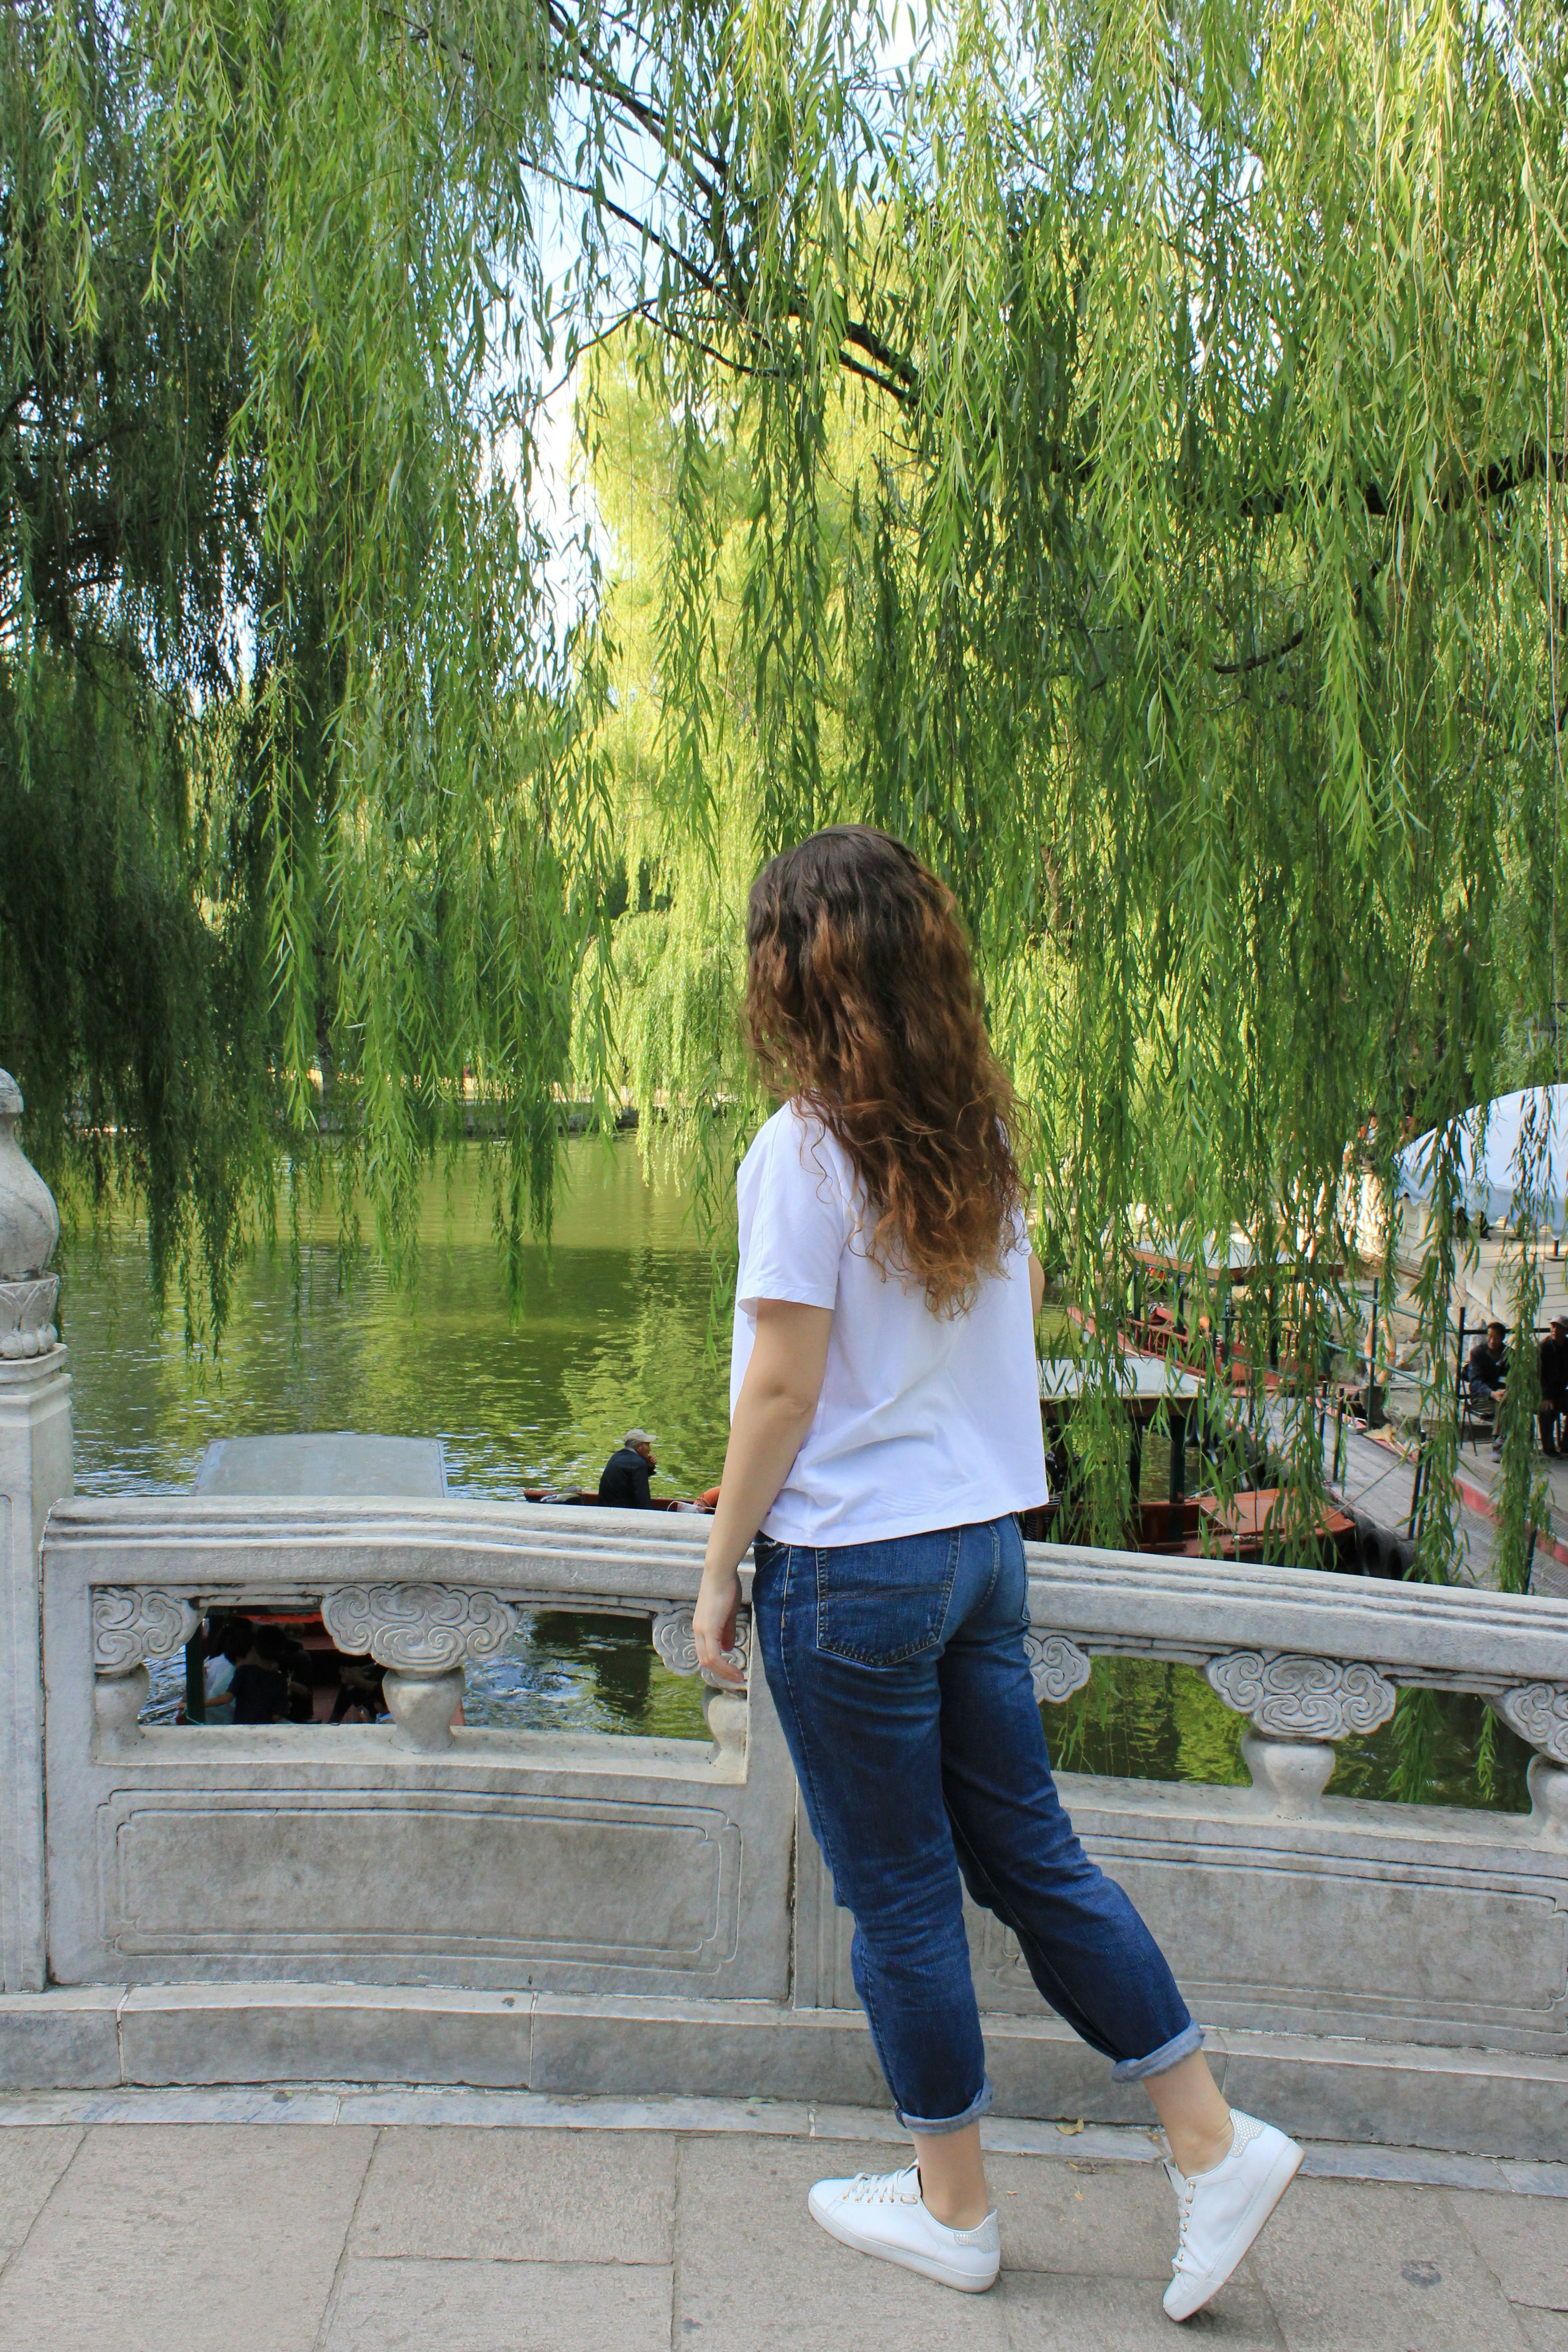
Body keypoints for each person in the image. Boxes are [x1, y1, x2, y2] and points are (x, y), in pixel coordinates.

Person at [692, 826, 1302, 2316]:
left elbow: (781, 1389)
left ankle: (953, 2207)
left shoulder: (801, 1151)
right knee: (1033, 1858)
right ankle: (1210, 2141)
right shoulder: (979, 1143)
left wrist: (717, 1567)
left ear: (792, 976)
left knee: (901, 1898)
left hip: (852, 1566)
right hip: (981, 1550)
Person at [1469, 1321, 1509, 1459]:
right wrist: (1492, 1394)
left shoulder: (1509, 1354)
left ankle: (1519, 1443)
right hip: (1482, 1397)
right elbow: (1476, 1382)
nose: (1492, 1341)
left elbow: (1512, 1378)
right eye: (1490, 1336)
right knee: (1503, 1404)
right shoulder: (1478, 1353)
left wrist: (1507, 1391)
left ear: (1502, 1338)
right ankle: (1498, 1443)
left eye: (1496, 1337)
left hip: (1503, 1395)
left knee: (1510, 1403)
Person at [598, 1429, 657, 1508]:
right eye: (648, 1445)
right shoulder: (639, 1464)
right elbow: (643, 1500)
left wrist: (649, 1466)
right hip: (623, 1512)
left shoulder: (616, 1457)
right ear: (639, 1447)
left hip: (604, 1508)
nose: (650, 1449)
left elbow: (629, 1479)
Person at [1539, 1317, 1568, 1457]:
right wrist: (1546, 1396)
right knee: (1547, 1410)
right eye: (1553, 1327)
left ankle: (1566, 1445)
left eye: (1559, 1327)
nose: (1555, 1330)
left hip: (1559, 1391)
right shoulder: (1544, 1347)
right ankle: (1548, 1448)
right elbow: (1538, 1375)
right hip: (1542, 1391)